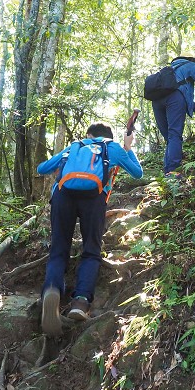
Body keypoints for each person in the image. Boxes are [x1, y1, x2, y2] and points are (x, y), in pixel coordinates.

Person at [36, 121, 143, 336]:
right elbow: (137, 173)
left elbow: (42, 168)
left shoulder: (75, 146)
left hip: (63, 197)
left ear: (88, 134)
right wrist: (128, 148)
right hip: (93, 200)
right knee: (91, 250)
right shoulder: (112, 148)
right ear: (109, 136)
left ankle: (52, 290)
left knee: (58, 250)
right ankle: (81, 301)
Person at [151, 56, 195, 176]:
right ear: (191, 60)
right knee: (174, 135)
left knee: (170, 137)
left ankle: (167, 172)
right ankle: (173, 173)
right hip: (175, 99)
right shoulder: (191, 66)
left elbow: (181, 97)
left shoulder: (168, 70)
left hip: (156, 101)